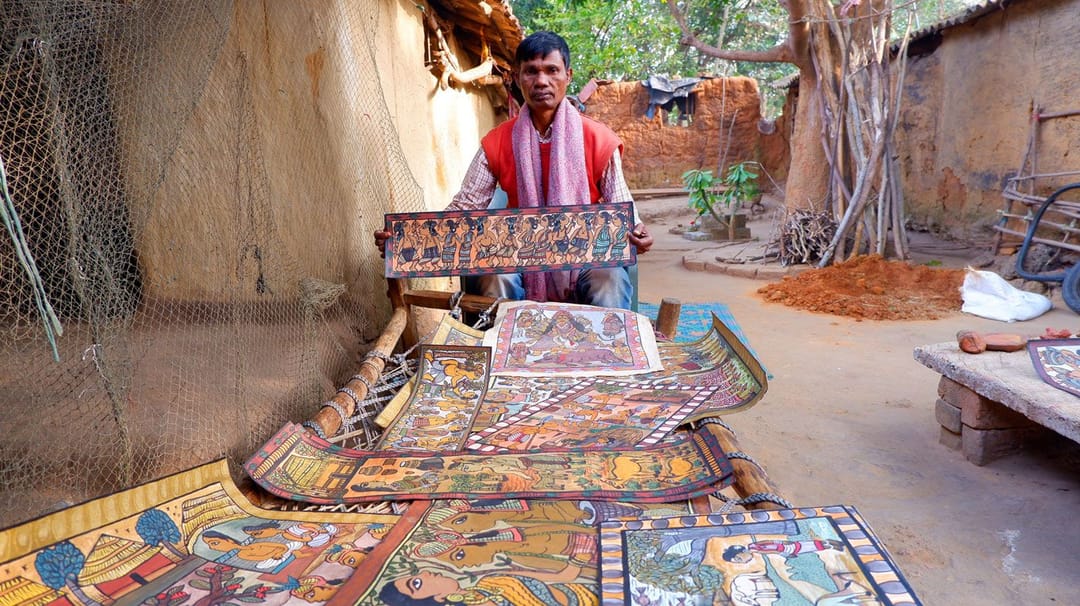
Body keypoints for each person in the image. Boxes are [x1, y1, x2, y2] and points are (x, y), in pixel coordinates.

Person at [375, 31, 653, 310]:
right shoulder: (497, 142)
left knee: (610, 278)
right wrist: (403, 239)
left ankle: (605, 353)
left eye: (552, 70)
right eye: (531, 72)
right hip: (519, 256)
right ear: (518, 79)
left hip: (586, 258)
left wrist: (637, 231)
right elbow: (464, 208)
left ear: (568, 76)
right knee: (496, 275)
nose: (541, 81)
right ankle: (506, 349)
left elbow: (622, 206)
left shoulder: (598, 138)